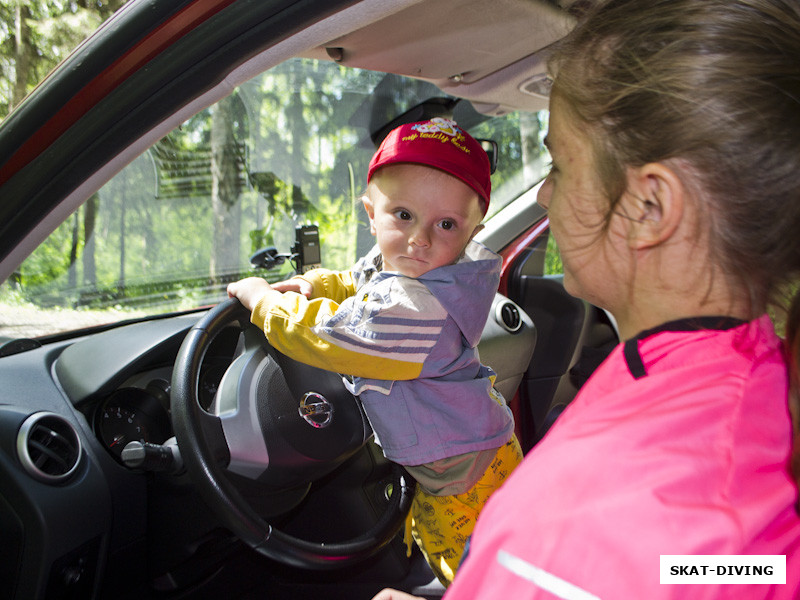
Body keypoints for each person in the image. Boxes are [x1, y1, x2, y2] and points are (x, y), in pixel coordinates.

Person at [373, 0, 800, 598]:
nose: (545, 195)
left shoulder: (579, 530)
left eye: (560, 165)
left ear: (649, 207)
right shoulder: (756, 378)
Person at [227, 117, 522, 586]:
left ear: (470, 233)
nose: (419, 239)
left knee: (474, 574)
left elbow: (332, 336)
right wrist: (311, 283)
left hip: (464, 476)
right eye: (402, 215)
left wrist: (263, 301)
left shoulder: (421, 307)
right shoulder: (408, 265)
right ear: (371, 212)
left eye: (446, 224)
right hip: (456, 457)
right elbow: (359, 281)